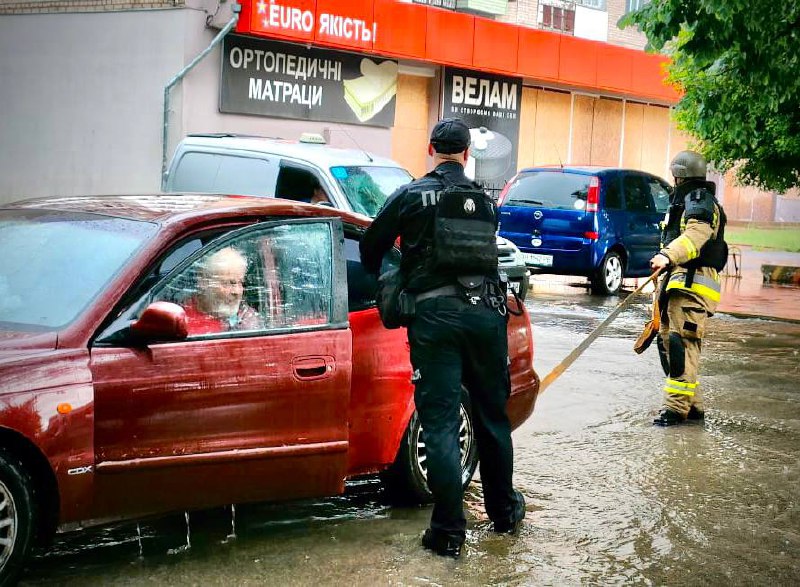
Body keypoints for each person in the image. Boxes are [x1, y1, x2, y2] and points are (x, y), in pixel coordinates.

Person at [360, 118, 525, 558]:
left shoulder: (411, 195)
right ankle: (504, 514)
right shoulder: (485, 203)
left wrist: (398, 269)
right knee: (492, 417)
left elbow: (369, 248)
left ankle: (449, 531)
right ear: (468, 154)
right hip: (487, 318)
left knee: (441, 423)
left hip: (435, 321)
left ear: (431, 148)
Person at [649, 150, 727, 426]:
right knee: (670, 344)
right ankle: (693, 407)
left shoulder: (699, 201)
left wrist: (667, 255)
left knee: (681, 346)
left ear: (679, 175)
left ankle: (675, 410)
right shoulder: (686, 201)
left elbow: (698, 234)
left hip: (692, 284)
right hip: (679, 283)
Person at [183, 247, 264, 334]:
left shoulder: (247, 318)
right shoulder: (180, 319)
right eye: (229, 283)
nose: (237, 291)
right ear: (203, 281)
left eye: (241, 283)